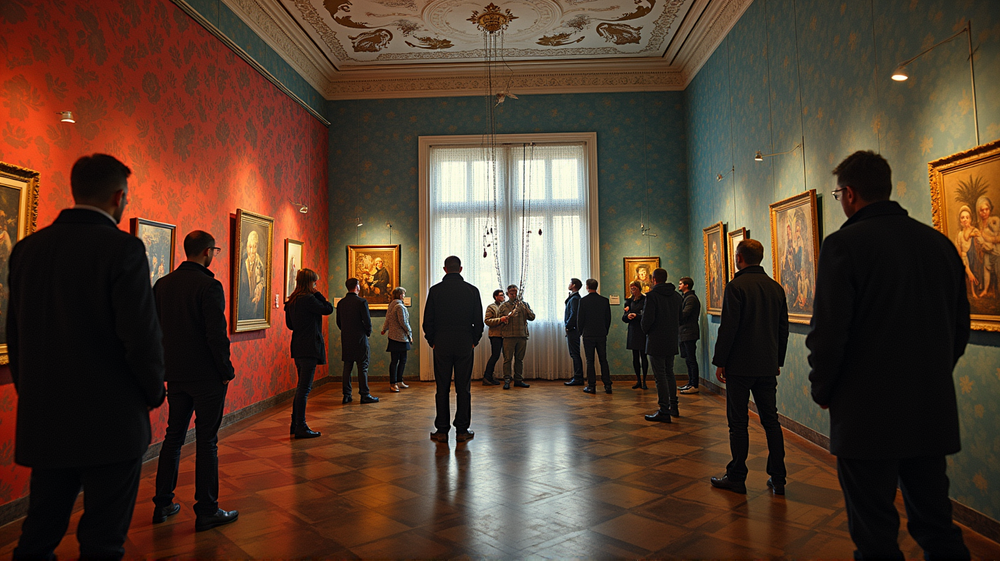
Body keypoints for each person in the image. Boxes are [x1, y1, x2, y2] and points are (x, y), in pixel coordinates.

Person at [807, 150, 971, 559]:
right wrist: (932, 375)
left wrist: (823, 389)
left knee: (875, 534)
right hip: (929, 408)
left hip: (866, 415)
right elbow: (958, 330)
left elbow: (829, 334)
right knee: (937, 525)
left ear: (849, 193)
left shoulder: (843, 245)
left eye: (838, 195)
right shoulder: (939, 244)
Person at [7, 154, 165, 559]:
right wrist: (152, 393)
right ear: (118, 196)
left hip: (46, 418)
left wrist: (34, 396)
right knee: (103, 541)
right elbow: (141, 338)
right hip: (111, 421)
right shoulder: (123, 248)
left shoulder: (27, 249)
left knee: (38, 535)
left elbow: (16, 339)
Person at [152, 230, 239, 531]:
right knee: (207, 441)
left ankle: (162, 503)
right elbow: (216, 335)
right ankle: (207, 509)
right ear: (207, 252)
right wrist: (226, 371)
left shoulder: (162, 285)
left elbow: (155, 330)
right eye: (214, 251)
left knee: (173, 437)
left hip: (175, 374)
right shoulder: (209, 285)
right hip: (206, 376)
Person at [710, 239, 789, 495]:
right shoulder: (776, 288)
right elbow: (783, 329)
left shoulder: (736, 286)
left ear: (739, 258)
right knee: (771, 421)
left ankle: (736, 476)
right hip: (767, 365)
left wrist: (720, 361)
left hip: (740, 366)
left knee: (738, 423)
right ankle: (778, 477)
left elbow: (729, 328)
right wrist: (777, 360)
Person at [423, 256, 484, 442]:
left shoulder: (435, 291)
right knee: (463, 388)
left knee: (442, 387)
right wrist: (474, 340)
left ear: (445, 269)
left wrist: (432, 341)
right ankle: (462, 430)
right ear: (461, 268)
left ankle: (442, 430)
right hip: (464, 341)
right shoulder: (472, 290)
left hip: (441, 342)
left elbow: (428, 321)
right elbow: (478, 322)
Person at [284, 268, 334, 437]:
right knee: (304, 389)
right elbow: (328, 309)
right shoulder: (308, 298)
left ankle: (295, 424)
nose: (316, 284)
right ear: (310, 282)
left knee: (301, 387)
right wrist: (318, 294)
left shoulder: (292, 300)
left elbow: (290, 325)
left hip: (298, 345)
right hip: (309, 346)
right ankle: (300, 426)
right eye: (314, 282)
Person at [640, 268, 682, 423]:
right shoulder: (677, 296)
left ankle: (664, 410)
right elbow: (680, 318)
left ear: (654, 279)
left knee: (660, 376)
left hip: (656, 340)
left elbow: (647, 320)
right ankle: (674, 406)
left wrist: (645, 330)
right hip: (671, 339)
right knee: (669, 373)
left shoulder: (652, 296)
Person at [336, 277, 380, 404]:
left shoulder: (341, 303)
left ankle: (346, 395)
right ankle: (364, 394)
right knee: (362, 367)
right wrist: (367, 332)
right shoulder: (361, 302)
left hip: (346, 338)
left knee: (347, 367)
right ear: (357, 286)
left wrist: (346, 331)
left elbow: (339, 322)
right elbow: (367, 321)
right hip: (360, 338)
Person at [497, 284, 536, 390]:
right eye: (511, 293)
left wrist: (526, 309)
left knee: (519, 359)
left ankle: (518, 380)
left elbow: (532, 317)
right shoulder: (503, 306)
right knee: (507, 359)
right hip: (508, 336)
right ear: (507, 294)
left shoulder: (524, 304)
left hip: (522, 335)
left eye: (515, 293)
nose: (514, 295)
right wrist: (504, 319)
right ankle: (507, 380)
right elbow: (498, 320)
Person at [578, 278, 612, 394]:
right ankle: (607, 385)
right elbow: (608, 318)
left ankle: (591, 386)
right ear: (596, 287)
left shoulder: (583, 301)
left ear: (587, 287)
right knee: (603, 360)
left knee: (590, 360)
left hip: (588, 334)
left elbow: (580, 319)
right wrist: (605, 331)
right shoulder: (604, 301)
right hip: (601, 333)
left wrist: (581, 332)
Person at [381, 286, 413, 392]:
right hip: (401, 337)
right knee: (401, 360)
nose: (404, 296)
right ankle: (395, 382)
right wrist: (409, 332)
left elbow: (387, 319)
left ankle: (397, 381)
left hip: (392, 337)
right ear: (400, 295)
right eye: (403, 294)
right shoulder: (400, 306)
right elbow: (403, 322)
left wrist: (384, 329)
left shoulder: (391, 305)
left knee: (394, 360)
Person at [621, 280, 647, 389]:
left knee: (644, 356)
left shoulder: (645, 300)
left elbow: (646, 315)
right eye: (631, 288)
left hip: (642, 330)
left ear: (639, 288)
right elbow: (624, 317)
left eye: (634, 288)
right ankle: (638, 380)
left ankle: (644, 381)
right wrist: (628, 316)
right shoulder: (629, 301)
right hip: (633, 330)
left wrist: (636, 316)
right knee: (635, 357)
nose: (632, 290)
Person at [677, 276, 701, 394]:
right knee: (688, 359)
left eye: (681, 283)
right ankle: (690, 383)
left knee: (691, 359)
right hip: (685, 331)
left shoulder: (690, 298)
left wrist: (674, 315)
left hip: (689, 331)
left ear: (686, 285)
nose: (679, 285)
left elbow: (685, 314)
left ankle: (694, 385)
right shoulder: (686, 297)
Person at [238, 229, 266, 320]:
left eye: (254, 247)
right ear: (246, 247)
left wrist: (259, 291)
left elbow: (262, 281)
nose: (252, 251)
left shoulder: (260, 264)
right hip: (243, 310)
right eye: (250, 247)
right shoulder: (242, 264)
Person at [563, 278, 585, 386]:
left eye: (570, 283)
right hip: (573, 329)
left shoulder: (575, 298)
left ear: (574, 285)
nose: (569, 284)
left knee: (575, 354)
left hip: (573, 329)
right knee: (574, 354)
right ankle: (578, 377)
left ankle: (578, 378)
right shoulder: (573, 297)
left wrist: (568, 325)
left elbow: (574, 313)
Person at [482, 289, 506, 386]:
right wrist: (500, 320)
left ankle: (491, 377)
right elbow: (487, 321)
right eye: (501, 295)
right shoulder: (491, 307)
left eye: (503, 295)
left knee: (504, 356)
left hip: (505, 335)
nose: (503, 297)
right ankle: (487, 377)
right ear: (496, 296)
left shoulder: (505, 306)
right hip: (495, 335)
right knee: (495, 356)